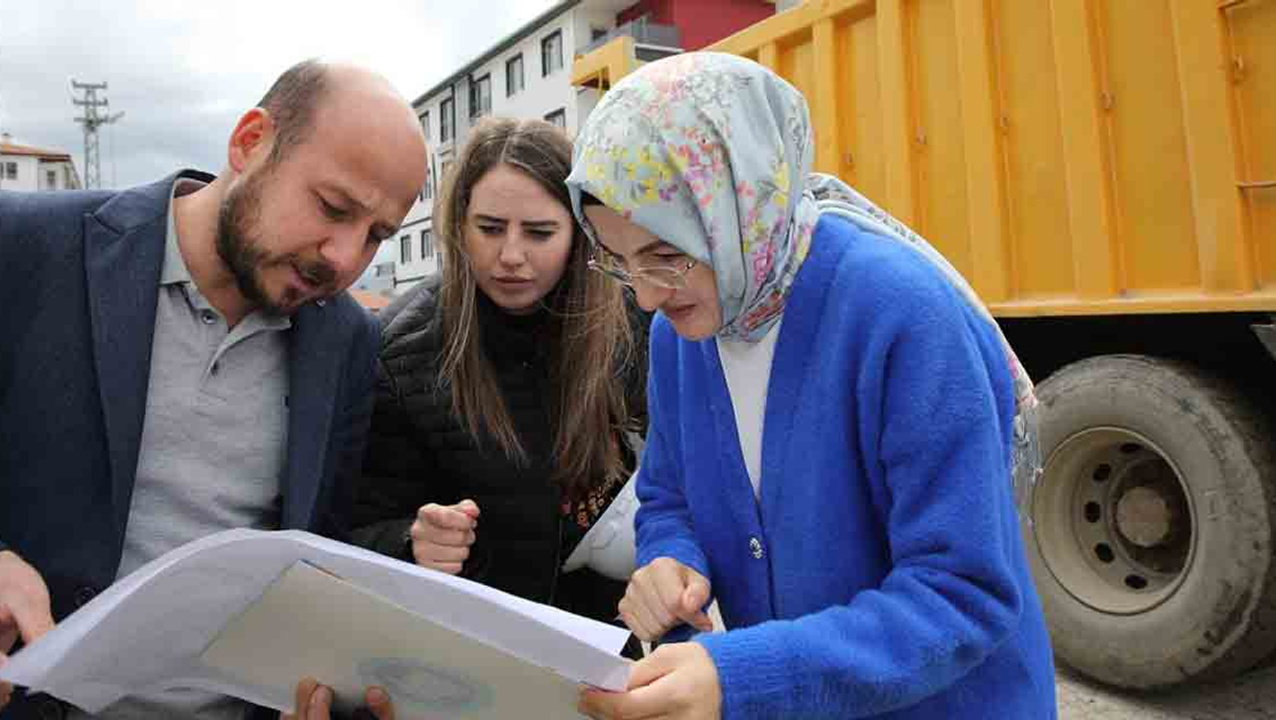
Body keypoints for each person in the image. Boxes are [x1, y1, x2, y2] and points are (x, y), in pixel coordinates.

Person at [568, 52, 1057, 719]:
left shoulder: (900, 314)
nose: (648, 296)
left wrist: (743, 677)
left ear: (741, 206)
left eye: (668, 255)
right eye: (619, 261)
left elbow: (964, 591)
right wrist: (670, 563)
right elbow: (667, 495)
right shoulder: (683, 335)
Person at [0, 59, 425, 720]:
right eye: (333, 207)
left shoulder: (346, 340)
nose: (343, 258)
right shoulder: (27, 247)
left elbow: (318, 555)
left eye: (376, 237)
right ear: (250, 142)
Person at [351, 117, 647, 638]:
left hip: (599, 646)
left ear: (580, 232)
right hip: (464, 655)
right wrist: (410, 541)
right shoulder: (400, 349)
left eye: (539, 233)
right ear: (458, 225)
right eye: (489, 229)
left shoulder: (630, 320)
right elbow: (351, 531)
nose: (511, 256)